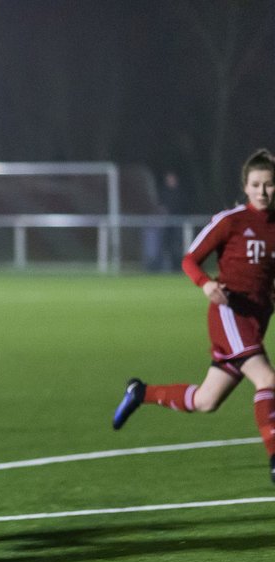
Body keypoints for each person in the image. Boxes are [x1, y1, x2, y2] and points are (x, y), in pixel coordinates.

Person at [113, 148, 275, 484]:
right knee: (267, 380)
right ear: (245, 187)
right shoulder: (230, 221)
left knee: (205, 401)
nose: (262, 192)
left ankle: (141, 393)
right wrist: (205, 284)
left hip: (254, 322)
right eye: (256, 185)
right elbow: (190, 259)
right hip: (229, 313)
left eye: (269, 185)